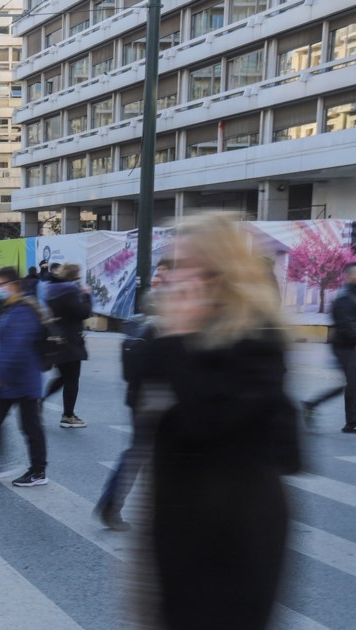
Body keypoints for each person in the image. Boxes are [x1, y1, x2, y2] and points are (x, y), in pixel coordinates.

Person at [132, 213, 299, 629]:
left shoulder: (258, 336)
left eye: (185, 264)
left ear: (218, 269)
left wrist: (177, 338)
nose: (172, 276)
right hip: (176, 515)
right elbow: (137, 394)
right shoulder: (173, 330)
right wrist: (172, 335)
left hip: (236, 523)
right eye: (172, 264)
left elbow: (209, 420)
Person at [94, 260, 168, 531]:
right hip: (160, 398)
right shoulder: (164, 326)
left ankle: (113, 503)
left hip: (139, 396)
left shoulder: (137, 323)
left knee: (140, 452)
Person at [0, 266, 49, 487]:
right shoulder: (12, 308)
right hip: (14, 379)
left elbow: (16, 348)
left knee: (29, 425)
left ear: (13, 285)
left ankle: (38, 471)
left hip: (22, 379)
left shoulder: (22, 311)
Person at [304, 262, 356, 432]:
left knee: (349, 384)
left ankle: (312, 403)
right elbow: (346, 326)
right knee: (352, 383)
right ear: (348, 276)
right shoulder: (343, 298)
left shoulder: (352, 295)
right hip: (344, 347)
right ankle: (351, 423)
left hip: (350, 345)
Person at [41, 263, 92, 428]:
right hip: (70, 340)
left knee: (63, 377)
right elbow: (83, 312)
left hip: (56, 338)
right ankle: (68, 415)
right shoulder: (70, 291)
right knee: (71, 379)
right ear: (74, 276)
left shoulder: (51, 290)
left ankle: (40, 401)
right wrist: (86, 296)